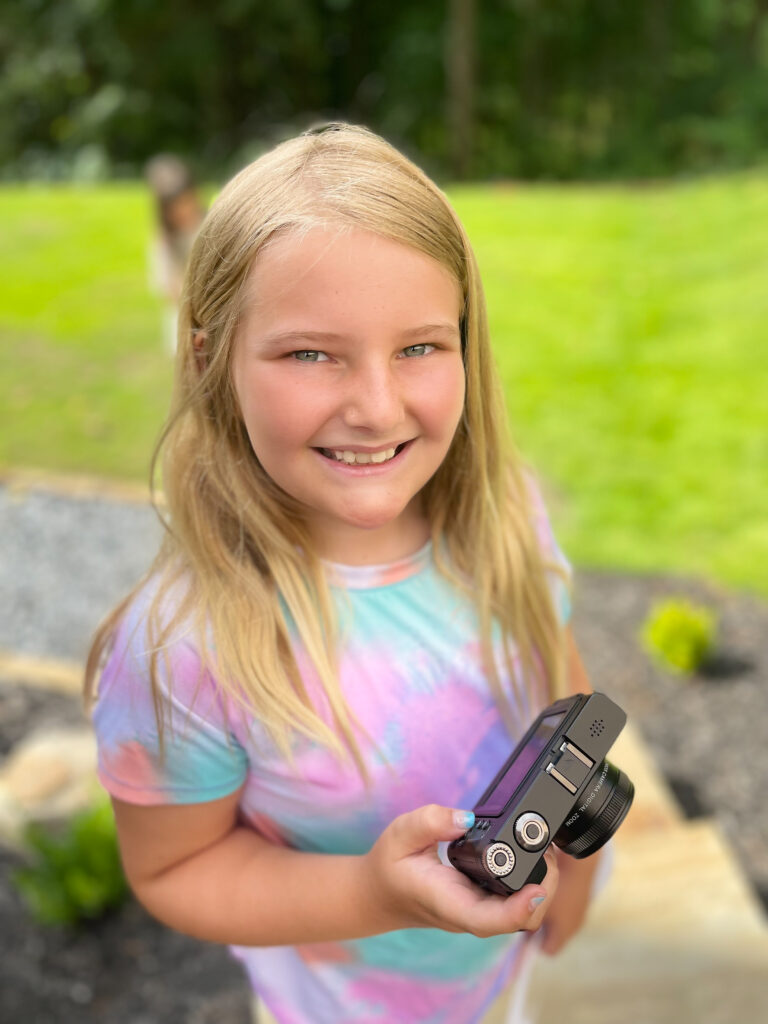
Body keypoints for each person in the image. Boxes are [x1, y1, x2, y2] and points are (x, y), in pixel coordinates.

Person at [85, 123, 605, 1024]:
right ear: (211, 360)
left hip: (495, 985)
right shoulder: (181, 650)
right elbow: (174, 867)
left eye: (419, 347)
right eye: (311, 353)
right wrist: (374, 895)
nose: (375, 407)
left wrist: (579, 874)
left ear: (466, 344)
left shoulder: (503, 511)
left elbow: (562, 686)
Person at [145, 154, 205, 353]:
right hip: (185, 319)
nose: (183, 211)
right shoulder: (164, 242)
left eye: (186, 202)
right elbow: (167, 287)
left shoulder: (211, 224)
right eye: (175, 208)